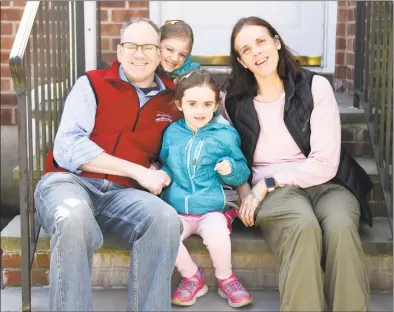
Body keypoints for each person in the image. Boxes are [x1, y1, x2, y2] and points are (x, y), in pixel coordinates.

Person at [220, 16, 372, 312]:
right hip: (277, 195)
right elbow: (231, 151)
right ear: (241, 61)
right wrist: (244, 190)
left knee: (341, 227)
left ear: (277, 42)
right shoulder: (233, 101)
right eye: (246, 49)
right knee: (302, 227)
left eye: (261, 42)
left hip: (328, 182)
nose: (257, 52)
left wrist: (266, 184)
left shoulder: (315, 87)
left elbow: (326, 162)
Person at [34, 17, 183, 312]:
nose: (138, 54)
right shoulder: (92, 83)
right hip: (68, 182)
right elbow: (68, 148)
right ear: (119, 51)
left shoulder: (172, 101)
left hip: (122, 196)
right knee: (74, 218)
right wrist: (138, 171)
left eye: (147, 47)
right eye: (131, 45)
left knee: (166, 219)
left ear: (159, 54)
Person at [159, 70, 252, 308]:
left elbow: (242, 169)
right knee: (164, 235)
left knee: (217, 234)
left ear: (216, 104)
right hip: (178, 207)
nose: (200, 111)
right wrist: (161, 175)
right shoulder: (172, 133)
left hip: (212, 207)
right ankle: (192, 277)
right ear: (180, 104)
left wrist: (230, 168)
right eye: (192, 104)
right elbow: (168, 164)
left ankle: (226, 278)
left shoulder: (225, 134)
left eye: (207, 104)